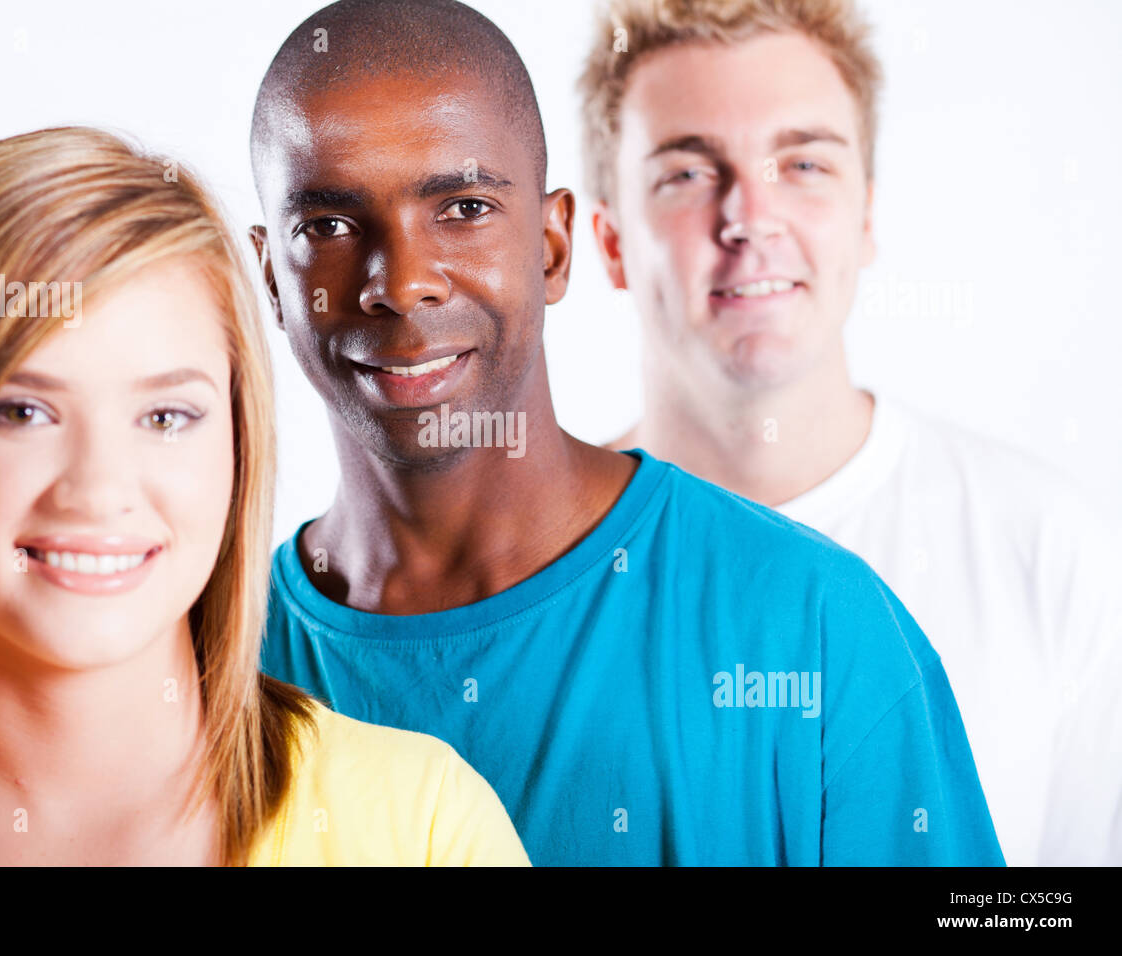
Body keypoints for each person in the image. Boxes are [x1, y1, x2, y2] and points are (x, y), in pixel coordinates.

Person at [250, 0, 1003, 866]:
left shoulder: (816, 629)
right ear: (272, 278)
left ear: (553, 243)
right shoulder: (212, 665)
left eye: (461, 208)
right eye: (329, 226)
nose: (403, 282)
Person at [0, 126, 528, 867]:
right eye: (21, 412)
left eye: (165, 417)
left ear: (237, 446)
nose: (98, 489)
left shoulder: (421, 829)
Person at [579, 0, 1122, 865]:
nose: (749, 217)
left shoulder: (1049, 554)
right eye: (686, 173)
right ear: (608, 240)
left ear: (866, 215)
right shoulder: (531, 575)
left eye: (803, 163)